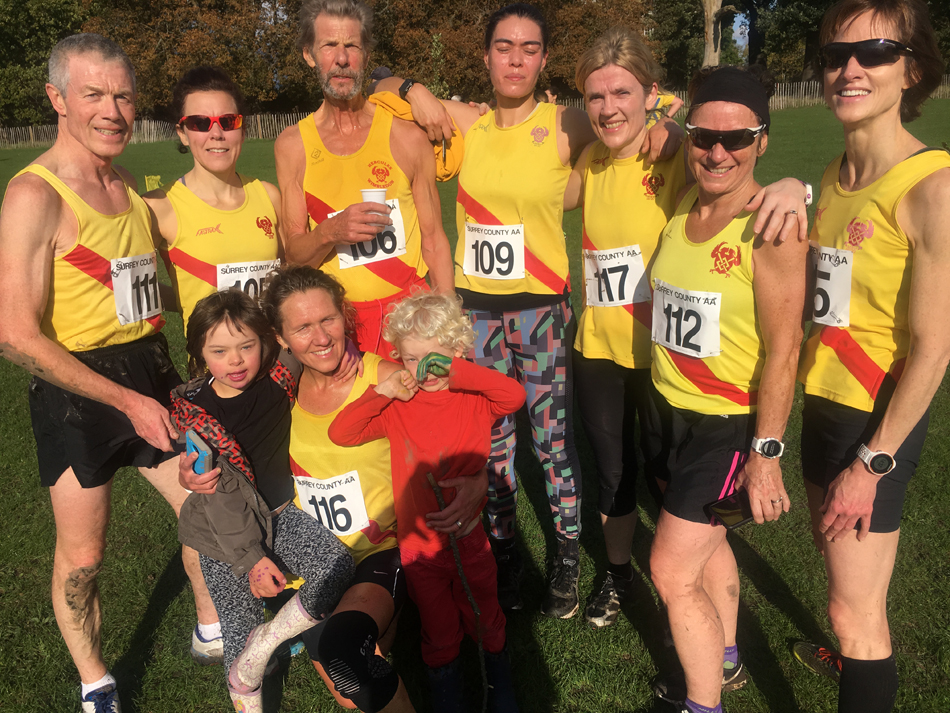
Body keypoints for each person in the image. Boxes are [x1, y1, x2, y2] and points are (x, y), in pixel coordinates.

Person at [373, 2, 682, 617]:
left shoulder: (569, 121)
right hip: (478, 315)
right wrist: (414, 90)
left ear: (544, 60)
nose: (515, 60)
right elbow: (379, 88)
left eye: (530, 49)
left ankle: (566, 553)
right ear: (486, 55)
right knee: (491, 441)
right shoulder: (469, 122)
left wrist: (668, 126)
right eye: (504, 47)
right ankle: (505, 549)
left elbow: (648, 105)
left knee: (552, 441)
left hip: (542, 312)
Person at [0, 33, 219, 712]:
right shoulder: (34, 195)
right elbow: (13, 334)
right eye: (93, 94)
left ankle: (212, 627)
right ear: (57, 98)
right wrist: (125, 400)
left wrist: (226, 307)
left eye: (123, 95)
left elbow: (151, 285)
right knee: (84, 557)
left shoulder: (125, 183)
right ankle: (95, 679)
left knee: (206, 503)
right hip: (78, 388)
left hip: (149, 366)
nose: (112, 110)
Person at [564, 28, 810, 631]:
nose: (608, 108)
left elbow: (742, 178)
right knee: (614, 474)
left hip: (666, 362)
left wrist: (797, 186)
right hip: (600, 347)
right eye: (595, 96)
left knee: (676, 498)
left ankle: (704, 622)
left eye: (622, 93)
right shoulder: (590, 161)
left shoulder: (680, 152)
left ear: (650, 94)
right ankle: (618, 575)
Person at [792, 2, 950, 712]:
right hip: (823, 403)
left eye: (876, 52)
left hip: (874, 423)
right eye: (835, 56)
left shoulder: (933, 189)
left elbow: (935, 350)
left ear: (911, 69)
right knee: (844, 588)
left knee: (855, 615)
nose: (850, 69)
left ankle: (864, 667)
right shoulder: (834, 174)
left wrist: (872, 463)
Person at [647, 66, 809, 713]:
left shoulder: (772, 225)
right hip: (669, 411)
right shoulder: (685, 200)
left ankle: (702, 704)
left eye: (736, 139)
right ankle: (729, 654)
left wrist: (766, 454)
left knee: (670, 570)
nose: (718, 152)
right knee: (710, 543)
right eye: (703, 137)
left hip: (727, 425)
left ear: (762, 140)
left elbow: (785, 349)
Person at [329, 291, 525, 713]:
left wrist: (461, 373)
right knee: (437, 625)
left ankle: (498, 676)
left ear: (458, 353)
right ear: (399, 359)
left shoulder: (474, 398)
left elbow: (514, 396)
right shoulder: (398, 406)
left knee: (484, 610)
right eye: (413, 359)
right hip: (418, 547)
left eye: (437, 359)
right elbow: (341, 433)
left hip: (470, 539)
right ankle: (446, 689)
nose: (426, 370)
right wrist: (383, 392)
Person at [171, 290, 354, 713]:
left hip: (281, 515)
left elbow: (309, 343)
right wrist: (252, 559)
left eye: (246, 346)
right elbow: (218, 499)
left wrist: (348, 355)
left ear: (267, 341)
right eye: (219, 351)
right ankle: (250, 662)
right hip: (223, 536)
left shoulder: (278, 374)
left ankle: (267, 641)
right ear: (199, 354)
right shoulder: (198, 416)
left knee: (336, 567)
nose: (235, 361)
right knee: (240, 630)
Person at [274, 0, 454, 359]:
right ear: (309, 55)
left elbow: (434, 240)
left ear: (366, 54)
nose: (341, 58)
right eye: (329, 45)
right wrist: (331, 231)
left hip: (410, 320)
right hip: (339, 329)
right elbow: (294, 256)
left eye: (352, 46)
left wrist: (449, 324)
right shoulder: (292, 145)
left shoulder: (406, 137)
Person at [144, 66, 282, 332]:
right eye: (200, 123)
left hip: (274, 355)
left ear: (242, 129)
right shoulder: (157, 206)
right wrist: (191, 303)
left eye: (228, 121)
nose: (216, 133)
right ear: (182, 133)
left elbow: (285, 281)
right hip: (210, 359)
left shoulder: (268, 195)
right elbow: (128, 284)